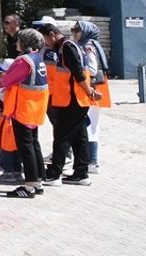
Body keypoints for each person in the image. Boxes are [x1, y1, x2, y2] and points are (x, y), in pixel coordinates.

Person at [41, 22, 98, 187]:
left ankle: (54, 174)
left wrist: (89, 91)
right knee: (79, 137)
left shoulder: (67, 47)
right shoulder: (71, 45)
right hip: (77, 99)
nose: (46, 43)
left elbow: (78, 73)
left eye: (46, 39)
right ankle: (81, 173)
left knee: (61, 136)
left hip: (71, 100)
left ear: (52, 34)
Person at [0, 28, 49, 199]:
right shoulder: (38, 59)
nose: (16, 42)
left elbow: (6, 80)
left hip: (23, 108)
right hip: (35, 107)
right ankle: (39, 180)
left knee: (26, 147)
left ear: (25, 42)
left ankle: (30, 185)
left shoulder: (23, 61)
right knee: (33, 144)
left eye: (19, 40)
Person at [73, 20, 111, 171]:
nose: (74, 32)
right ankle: (90, 161)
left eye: (77, 29)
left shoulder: (88, 46)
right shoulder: (92, 44)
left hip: (92, 91)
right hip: (94, 90)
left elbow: (92, 70)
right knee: (91, 126)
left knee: (91, 127)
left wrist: (78, 71)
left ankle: (92, 162)